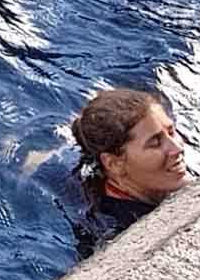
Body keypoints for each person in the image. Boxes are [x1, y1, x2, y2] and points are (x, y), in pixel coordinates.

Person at [66, 88, 190, 258]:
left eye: (171, 132)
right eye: (154, 143)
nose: (177, 148)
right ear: (114, 163)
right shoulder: (117, 232)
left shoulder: (153, 182)